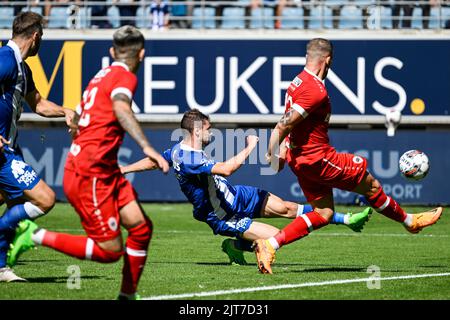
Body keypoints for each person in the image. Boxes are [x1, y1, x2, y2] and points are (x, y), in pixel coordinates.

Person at [253, 38, 443, 274]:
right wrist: (271, 156)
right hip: (318, 158)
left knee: (324, 213)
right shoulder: (315, 89)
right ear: (328, 60)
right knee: (371, 185)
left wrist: (284, 151)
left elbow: (294, 124)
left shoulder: (296, 82)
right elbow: (283, 125)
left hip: (301, 160)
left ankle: (269, 245)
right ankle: (410, 222)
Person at [8, 25, 169, 300]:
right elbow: (120, 107)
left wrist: (79, 126)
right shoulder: (125, 77)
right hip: (90, 172)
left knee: (141, 229)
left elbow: (86, 113)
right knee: (109, 251)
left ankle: (127, 296)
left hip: (102, 168)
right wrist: (147, 147)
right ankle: (34, 235)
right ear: (141, 54)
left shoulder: (101, 75)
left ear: (112, 52)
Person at [120, 109, 372, 265]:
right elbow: (227, 169)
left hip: (235, 195)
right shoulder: (188, 158)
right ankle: (234, 245)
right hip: (222, 214)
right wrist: (250, 147)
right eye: (208, 129)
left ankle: (346, 219)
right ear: (197, 130)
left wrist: (125, 169)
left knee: (287, 208)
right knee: (275, 236)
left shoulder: (177, 151)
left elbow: (155, 161)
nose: (211, 133)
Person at [0, 12, 75, 282]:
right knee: (44, 199)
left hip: (9, 149)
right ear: (35, 36)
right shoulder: (6, 59)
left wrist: (66, 111)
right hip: (2, 154)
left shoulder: (23, 68)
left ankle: (1, 269)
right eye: (41, 37)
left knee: (15, 204)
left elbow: (39, 105)